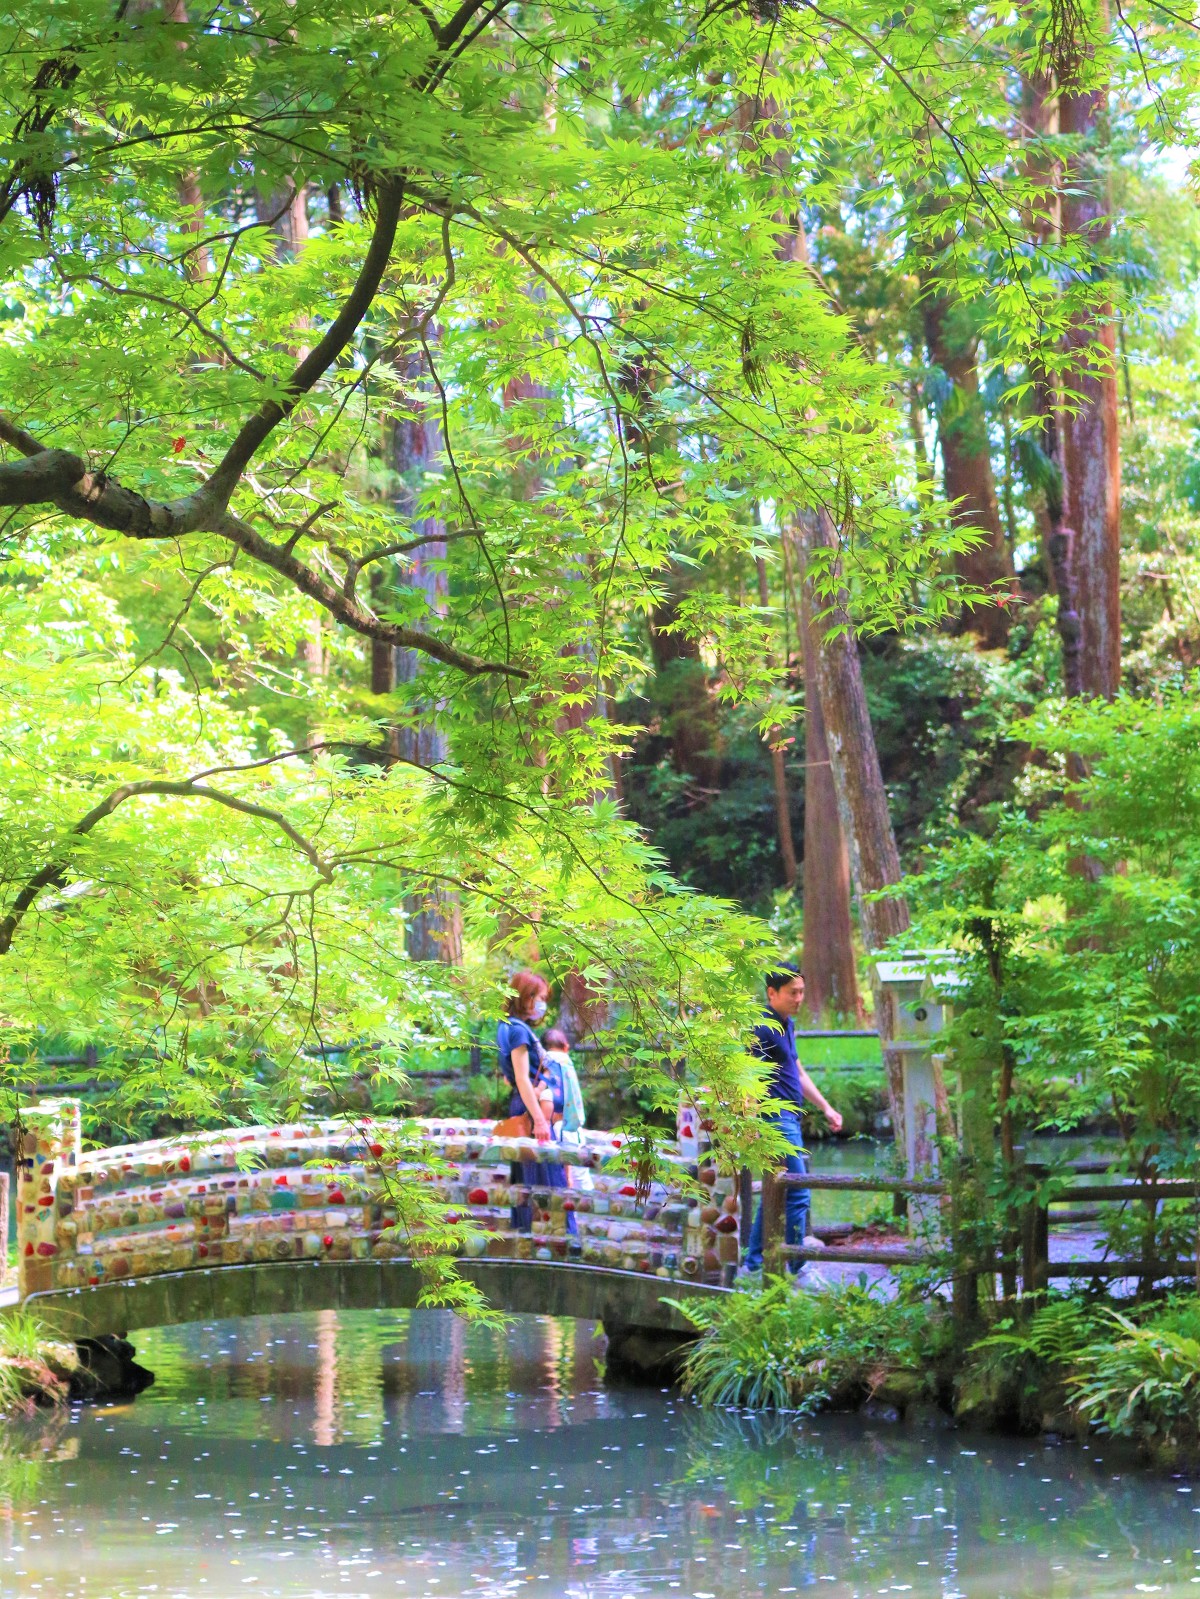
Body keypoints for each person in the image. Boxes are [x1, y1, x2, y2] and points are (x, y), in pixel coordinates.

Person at [743, 963, 843, 1282]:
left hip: (790, 1118)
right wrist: (751, 1121)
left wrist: (826, 1108)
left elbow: (798, 1073)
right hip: (775, 1120)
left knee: (776, 1193)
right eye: (792, 993)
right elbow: (749, 1076)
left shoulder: (786, 1024)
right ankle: (798, 1267)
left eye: (801, 992)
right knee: (798, 1193)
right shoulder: (763, 1027)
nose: (799, 998)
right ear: (772, 993)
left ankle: (754, 1264)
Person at [496, 971, 577, 1236]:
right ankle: (562, 1239)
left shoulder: (507, 1026)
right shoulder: (518, 1030)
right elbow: (521, 1078)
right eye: (540, 997)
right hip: (531, 1112)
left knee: (527, 1177)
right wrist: (540, 1120)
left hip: (526, 1107)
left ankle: (527, 1239)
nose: (542, 1003)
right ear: (526, 997)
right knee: (548, 1175)